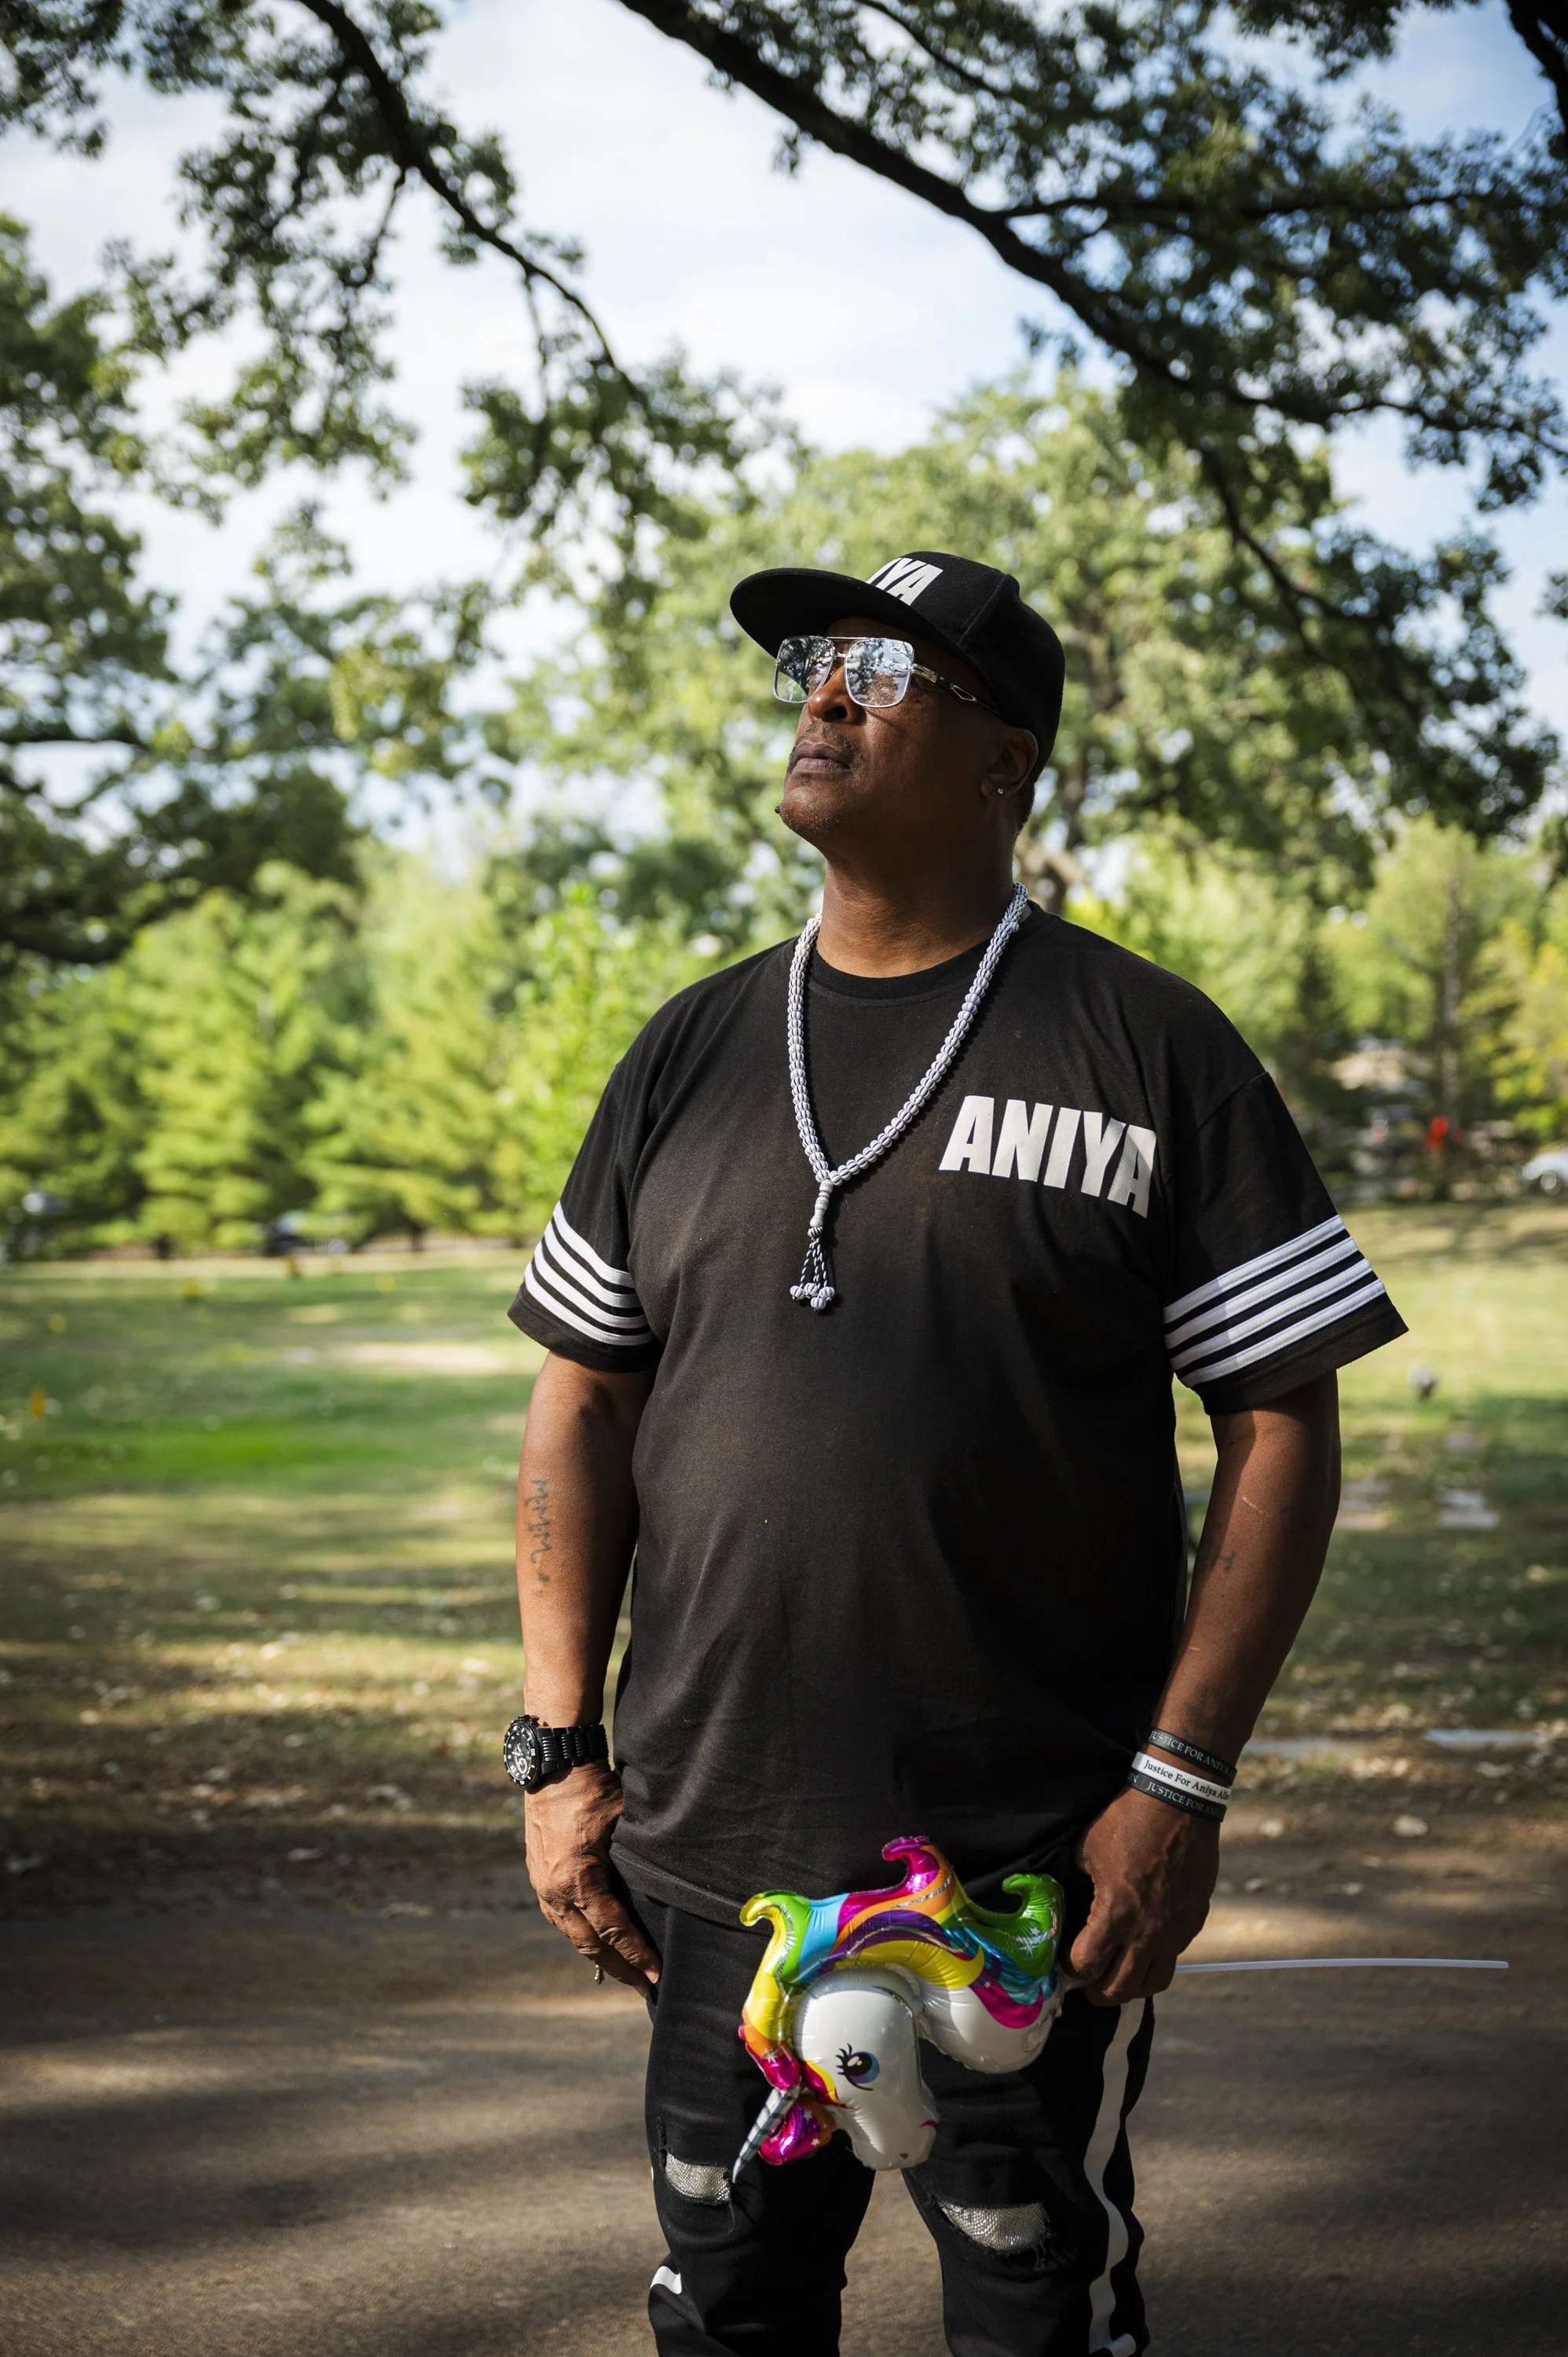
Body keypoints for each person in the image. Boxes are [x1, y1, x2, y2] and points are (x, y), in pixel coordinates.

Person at [504, 551, 1405, 2357]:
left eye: (878, 671)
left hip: (1022, 1869)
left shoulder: (1150, 1050)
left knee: (1029, 2304)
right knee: (727, 2301)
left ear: (1005, 761)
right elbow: (579, 1403)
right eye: (812, 667)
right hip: (714, 1854)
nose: (821, 698)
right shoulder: (687, 1049)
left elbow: (1280, 1419)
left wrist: (1178, 1785)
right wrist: (553, 1747)